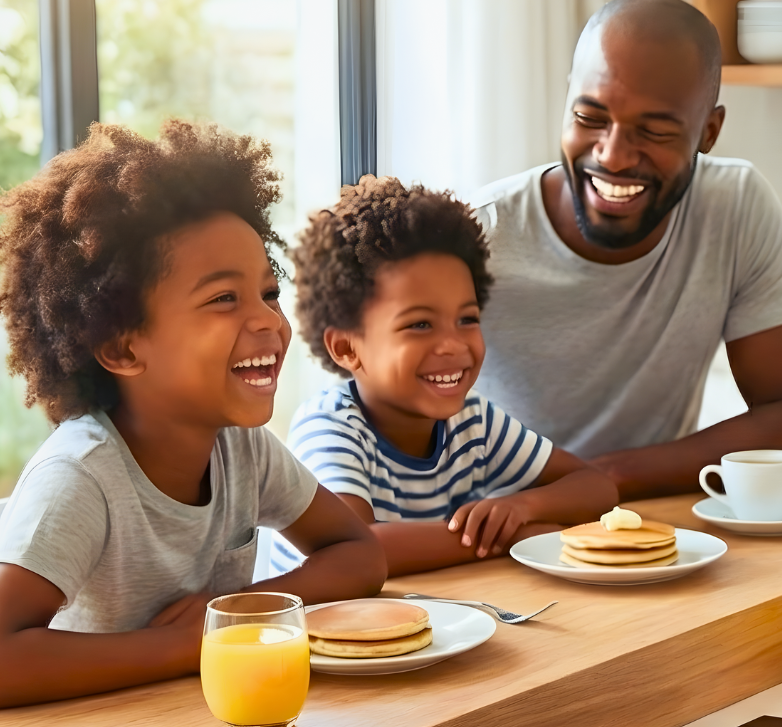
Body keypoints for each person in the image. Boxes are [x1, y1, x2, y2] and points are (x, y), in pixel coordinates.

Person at [0, 122, 386, 711]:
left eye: (268, 293)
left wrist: (236, 614)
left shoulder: (241, 448)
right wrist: (191, 645)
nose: (270, 323)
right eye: (224, 299)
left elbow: (360, 554)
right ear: (125, 349)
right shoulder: (82, 477)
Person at [471, 0, 782, 498]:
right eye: (590, 118)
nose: (614, 156)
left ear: (708, 132)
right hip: (488, 546)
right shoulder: (480, 236)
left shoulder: (732, 206)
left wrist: (604, 480)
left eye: (656, 131)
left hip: (648, 535)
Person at [264, 176, 616, 576]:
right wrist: (507, 538)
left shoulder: (473, 421)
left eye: (467, 319)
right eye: (419, 325)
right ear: (347, 349)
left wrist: (522, 507)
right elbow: (358, 548)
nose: (453, 345)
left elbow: (597, 487)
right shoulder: (328, 428)